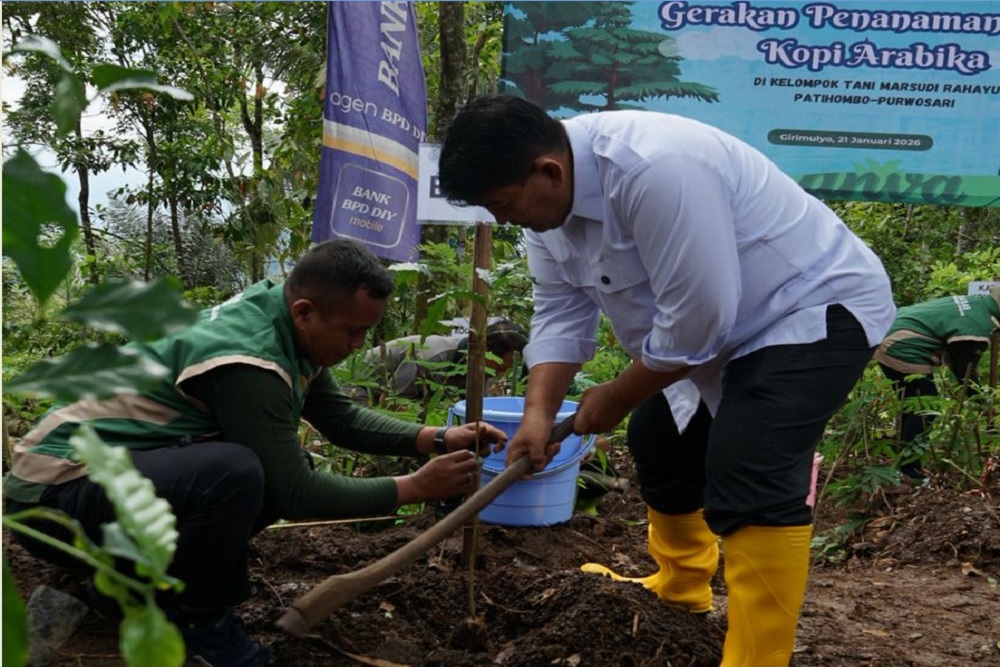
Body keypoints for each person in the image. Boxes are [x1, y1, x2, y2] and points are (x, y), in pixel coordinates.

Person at [437, 94, 895, 666]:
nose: (506, 220)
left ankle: (758, 657)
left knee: (750, 463)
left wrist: (617, 394)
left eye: (504, 205)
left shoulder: (655, 167)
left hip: (807, 308)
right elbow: (560, 310)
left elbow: (701, 318)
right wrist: (537, 415)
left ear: (548, 171)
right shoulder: (545, 206)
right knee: (660, 439)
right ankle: (682, 583)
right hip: (709, 334)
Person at [3, 239, 507, 667]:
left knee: (265, 468)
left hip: (93, 480)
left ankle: (132, 589)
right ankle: (199, 620)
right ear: (304, 312)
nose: (358, 344)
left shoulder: (283, 320)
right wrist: (415, 487)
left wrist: (436, 438)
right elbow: (296, 496)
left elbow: (341, 419)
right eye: (351, 331)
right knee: (237, 473)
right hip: (52, 497)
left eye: (365, 332)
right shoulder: (250, 360)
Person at [874, 287, 1000, 479]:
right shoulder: (976, 327)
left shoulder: (975, 303)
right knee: (926, 407)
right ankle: (909, 470)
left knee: (914, 405)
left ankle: (903, 465)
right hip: (901, 345)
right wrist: (981, 403)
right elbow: (963, 371)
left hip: (888, 331)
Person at [356, 320, 528, 403]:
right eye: (501, 366)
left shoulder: (476, 369)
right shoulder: (431, 356)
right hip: (356, 386)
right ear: (485, 351)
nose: (501, 373)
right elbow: (392, 401)